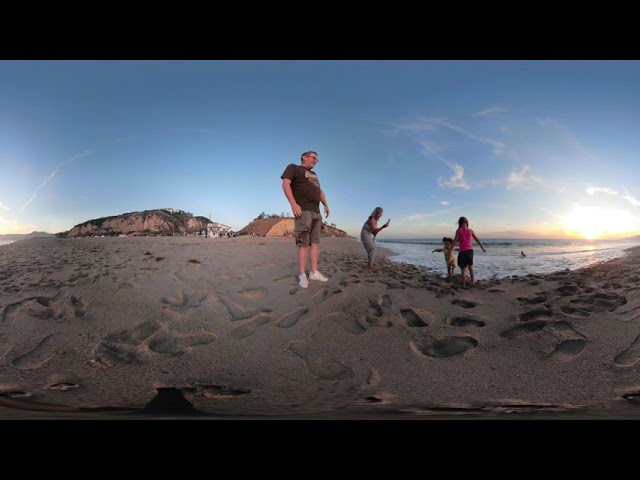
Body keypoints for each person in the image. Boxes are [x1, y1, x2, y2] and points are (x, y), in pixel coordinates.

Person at [281, 151, 330, 288]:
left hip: (316, 212)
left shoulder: (314, 175)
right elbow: (285, 184)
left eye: (316, 160)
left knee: (315, 243)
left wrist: (326, 205)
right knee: (303, 243)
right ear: (304, 157)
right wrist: (293, 204)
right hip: (303, 211)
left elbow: (320, 191)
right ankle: (302, 274)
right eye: (313, 158)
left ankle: (314, 272)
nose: (315, 161)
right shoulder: (294, 168)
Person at [453, 216, 486, 288]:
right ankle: (473, 283)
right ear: (467, 223)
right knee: (470, 267)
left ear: (459, 223)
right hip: (470, 251)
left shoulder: (458, 230)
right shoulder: (471, 231)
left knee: (463, 269)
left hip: (462, 251)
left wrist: (450, 249)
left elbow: (455, 241)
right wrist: (482, 247)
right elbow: (477, 240)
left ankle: (463, 284)